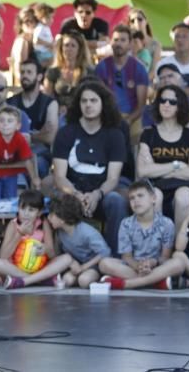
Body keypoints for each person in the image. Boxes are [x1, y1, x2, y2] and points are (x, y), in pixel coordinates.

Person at [50, 81, 128, 255]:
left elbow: (113, 178)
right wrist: (76, 194)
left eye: (93, 100)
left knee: (116, 201)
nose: (88, 105)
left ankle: (113, 258)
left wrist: (96, 194)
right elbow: (60, 177)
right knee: (55, 197)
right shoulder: (66, 133)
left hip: (101, 192)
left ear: (103, 104)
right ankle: (59, 257)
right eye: (84, 101)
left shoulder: (114, 135)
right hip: (72, 191)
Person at [98, 181, 184, 290]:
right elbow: (127, 257)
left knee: (179, 263)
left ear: (153, 198)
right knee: (104, 263)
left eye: (140, 196)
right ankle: (156, 283)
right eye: (132, 198)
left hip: (156, 267)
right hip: (133, 267)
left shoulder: (166, 223)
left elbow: (165, 257)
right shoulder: (126, 224)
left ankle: (127, 284)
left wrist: (153, 262)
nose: (136, 200)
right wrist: (138, 266)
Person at [136, 85, 189, 227]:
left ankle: (179, 245)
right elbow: (143, 171)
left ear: (180, 106)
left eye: (172, 102)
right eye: (163, 100)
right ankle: (158, 246)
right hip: (155, 186)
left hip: (183, 186)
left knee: (183, 196)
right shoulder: (148, 134)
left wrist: (157, 169)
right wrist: (176, 165)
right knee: (155, 196)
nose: (166, 104)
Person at [0, 189, 70, 290]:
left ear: (39, 212)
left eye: (31, 210)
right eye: (22, 209)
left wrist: (45, 249)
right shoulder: (13, 224)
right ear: (18, 208)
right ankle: (39, 281)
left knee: (67, 258)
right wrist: (20, 234)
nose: (26, 214)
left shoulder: (43, 223)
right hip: (15, 270)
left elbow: (52, 254)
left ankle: (24, 281)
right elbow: (3, 256)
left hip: (39, 269)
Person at [94, 24, 149, 139]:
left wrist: (127, 121)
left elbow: (141, 105)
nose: (118, 44)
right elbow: (97, 97)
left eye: (123, 40)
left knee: (137, 138)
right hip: (107, 116)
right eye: (116, 40)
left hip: (132, 117)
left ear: (130, 44)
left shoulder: (139, 68)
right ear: (111, 43)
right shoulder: (101, 67)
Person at [0, 105, 40, 204]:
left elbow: (27, 159)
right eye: (1, 121)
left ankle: (8, 219)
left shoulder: (20, 139)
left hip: (11, 173)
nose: (5, 124)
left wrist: (34, 178)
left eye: (10, 121)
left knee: (11, 198)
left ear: (18, 125)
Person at [7, 58, 58, 176]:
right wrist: (38, 134)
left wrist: (23, 135)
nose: (25, 76)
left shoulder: (49, 103)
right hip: (13, 154)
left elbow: (50, 137)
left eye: (29, 72)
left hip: (40, 155)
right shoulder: (10, 102)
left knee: (37, 165)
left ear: (39, 76)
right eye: (22, 72)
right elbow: (4, 134)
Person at [47, 194, 109, 289]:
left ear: (62, 219)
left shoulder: (87, 232)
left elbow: (105, 252)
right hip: (77, 266)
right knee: (67, 280)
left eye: (51, 215)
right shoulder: (60, 232)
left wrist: (84, 267)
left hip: (94, 265)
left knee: (84, 281)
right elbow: (59, 255)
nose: (48, 218)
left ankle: (104, 278)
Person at [43, 31, 93, 111]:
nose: (69, 49)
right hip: (58, 113)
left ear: (79, 50)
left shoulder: (88, 72)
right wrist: (57, 108)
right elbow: (46, 98)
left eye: (73, 46)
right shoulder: (53, 72)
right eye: (66, 45)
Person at [128, 9, 161, 73]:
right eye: (132, 21)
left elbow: (153, 71)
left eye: (140, 19)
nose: (136, 22)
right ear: (129, 24)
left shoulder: (155, 44)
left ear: (146, 21)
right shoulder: (127, 42)